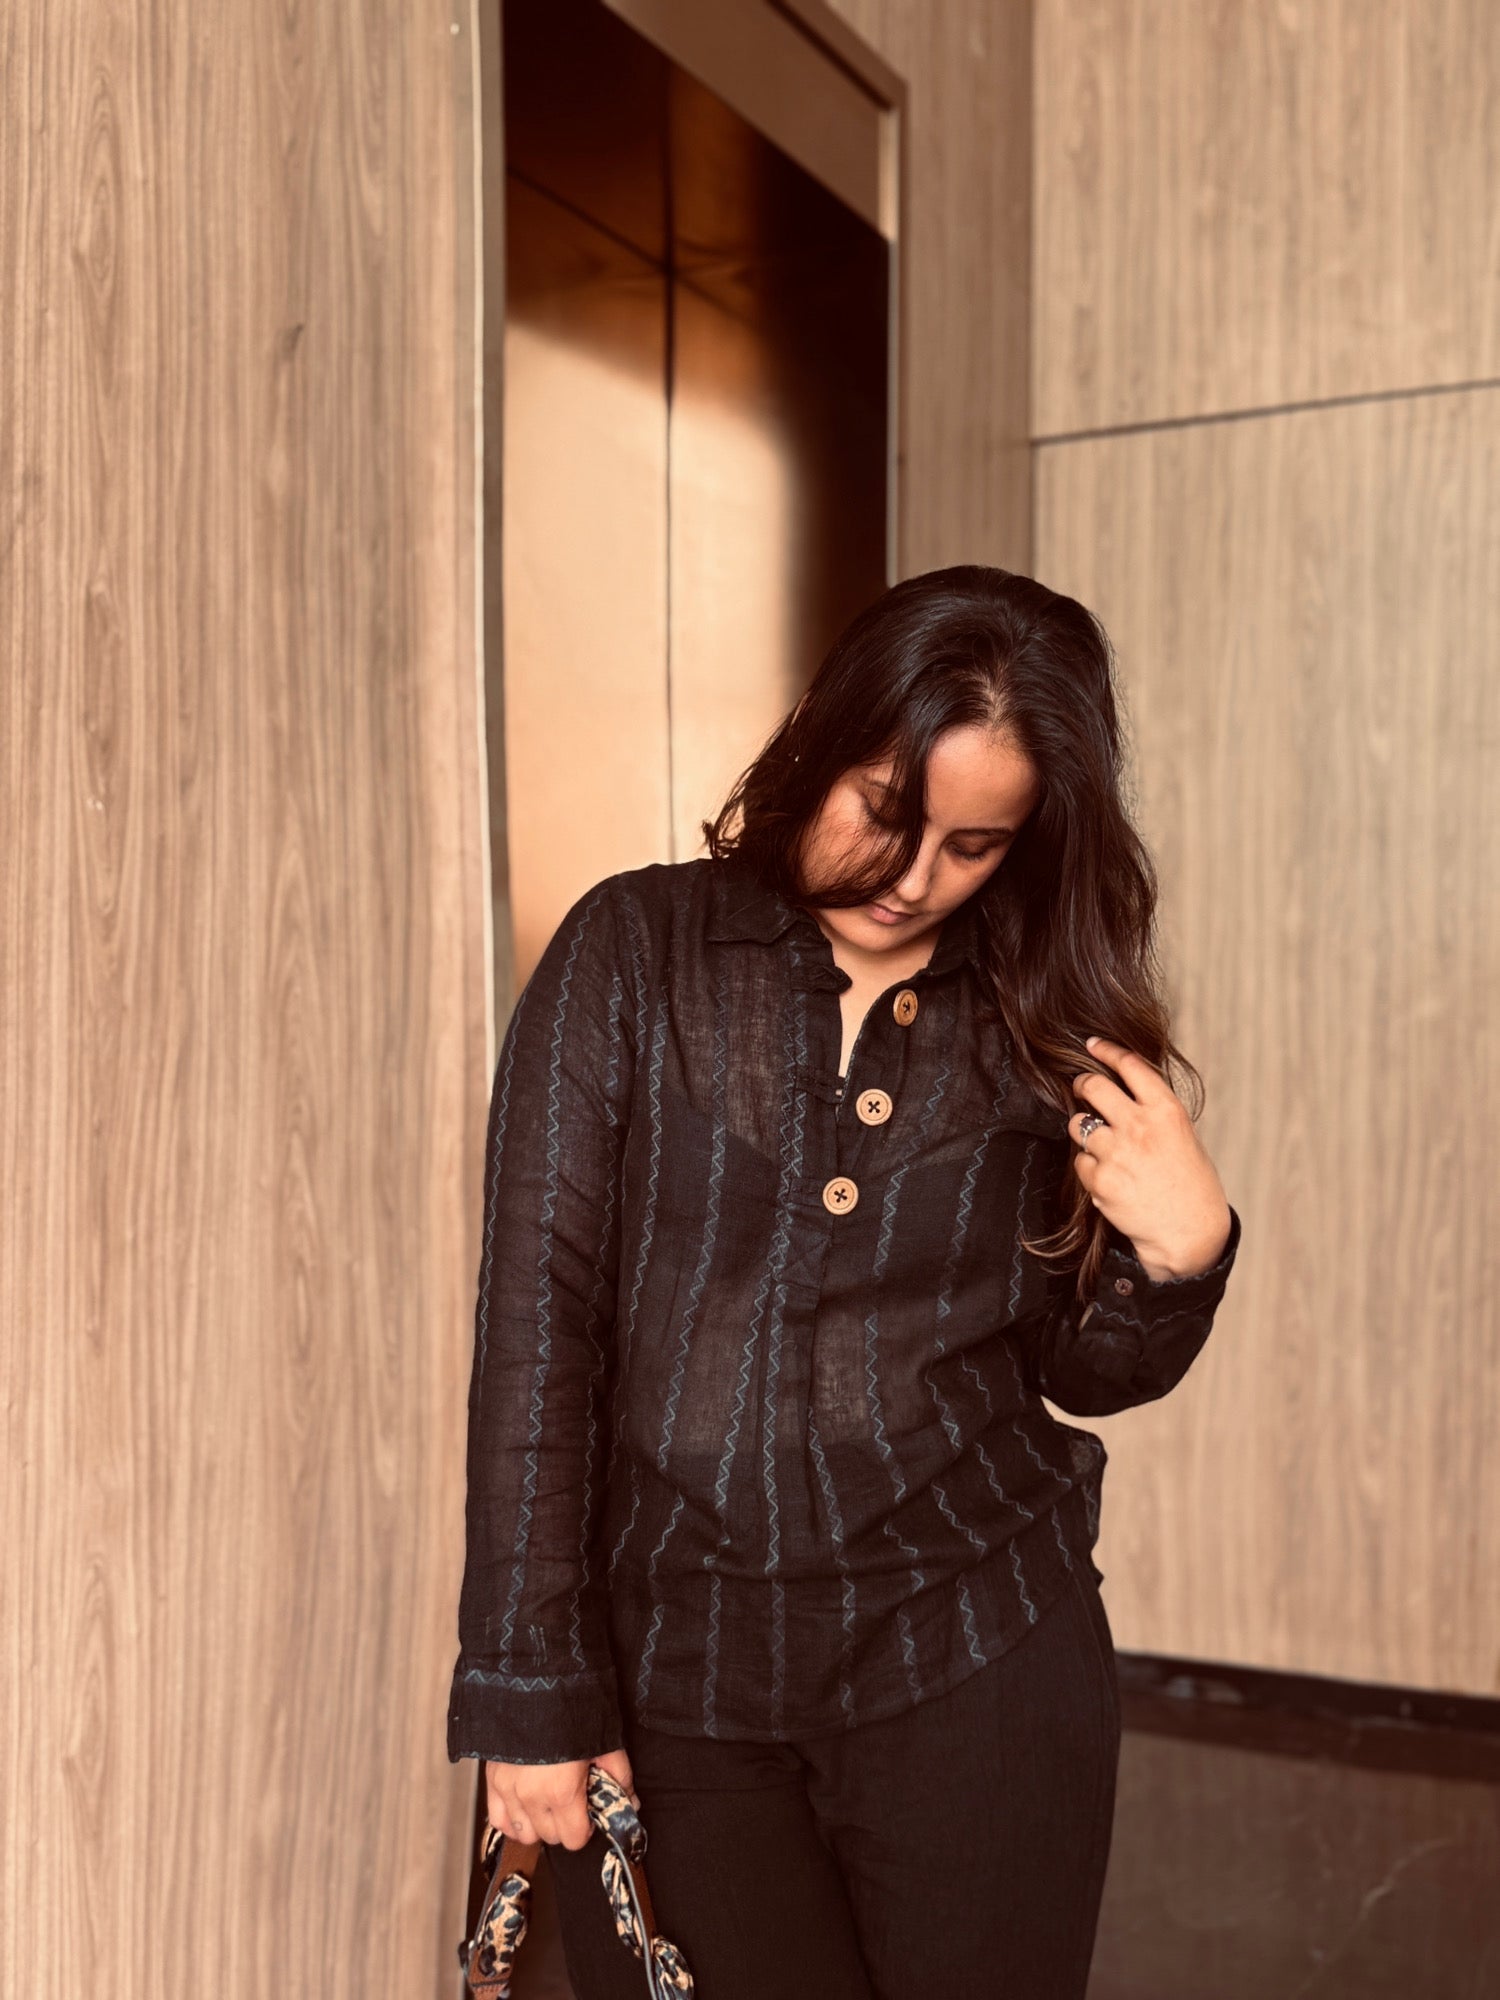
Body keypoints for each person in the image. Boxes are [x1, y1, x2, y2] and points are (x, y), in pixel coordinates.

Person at [446, 564, 1242, 1999]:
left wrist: (1182, 1257)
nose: (910, 877)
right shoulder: (633, 954)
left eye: (973, 844)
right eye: (883, 811)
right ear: (817, 749)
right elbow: (536, 1333)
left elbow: (1081, 1369)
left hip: (976, 1660)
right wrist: (530, 1689)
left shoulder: (1043, 1013)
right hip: (678, 1680)